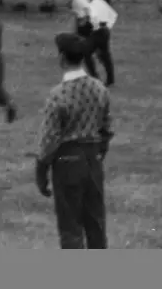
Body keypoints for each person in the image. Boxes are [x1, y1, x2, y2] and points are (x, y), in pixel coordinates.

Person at [35, 33, 114, 249]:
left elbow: (49, 139)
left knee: (71, 228)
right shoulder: (100, 88)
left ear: (61, 58)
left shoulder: (58, 95)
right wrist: (98, 153)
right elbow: (107, 128)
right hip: (93, 160)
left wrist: (41, 169)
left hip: (67, 162)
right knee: (96, 224)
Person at [69, 0, 100, 78]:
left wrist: (84, 20)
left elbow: (87, 8)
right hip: (85, 22)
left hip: (84, 23)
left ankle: (92, 74)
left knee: (84, 49)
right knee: (80, 46)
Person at [87, 0, 118, 86]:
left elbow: (93, 18)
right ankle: (110, 80)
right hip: (104, 31)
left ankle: (95, 77)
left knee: (86, 53)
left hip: (97, 32)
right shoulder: (102, 4)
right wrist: (108, 27)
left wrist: (95, 28)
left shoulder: (93, 4)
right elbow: (114, 15)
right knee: (105, 56)